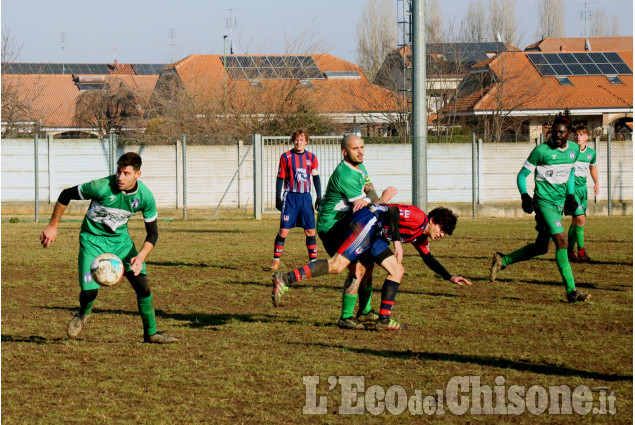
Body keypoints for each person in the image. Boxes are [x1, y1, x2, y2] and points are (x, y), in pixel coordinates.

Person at [39, 152, 178, 343]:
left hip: (121, 244)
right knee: (89, 291)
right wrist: (53, 225)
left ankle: (151, 334)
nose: (120, 177)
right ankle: (83, 314)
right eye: (119, 172)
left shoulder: (145, 197)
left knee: (143, 287)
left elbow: (153, 233)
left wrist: (141, 256)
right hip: (92, 241)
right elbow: (66, 194)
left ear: (138, 174)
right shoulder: (101, 186)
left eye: (126, 173)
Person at [272, 204, 470, 331]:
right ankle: (286, 278)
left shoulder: (421, 237)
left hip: (377, 236)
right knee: (337, 265)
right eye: (442, 229)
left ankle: (382, 319)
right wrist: (398, 242)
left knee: (395, 270)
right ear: (433, 221)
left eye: (445, 233)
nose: (441, 234)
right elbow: (392, 211)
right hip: (367, 222)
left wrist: (449, 276)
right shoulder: (419, 217)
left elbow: (428, 259)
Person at [272, 134, 398, 330]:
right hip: (332, 226)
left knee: (367, 265)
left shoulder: (360, 167)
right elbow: (372, 202)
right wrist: (382, 198)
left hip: (349, 223)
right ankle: (288, 279)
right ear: (344, 152)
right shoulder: (345, 174)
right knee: (347, 268)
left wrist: (370, 198)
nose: (361, 152)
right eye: (355, 149)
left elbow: (369, 193)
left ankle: (364, 311)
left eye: (362, 147)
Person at [489, 113, 590, 303]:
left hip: (559, 204)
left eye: (561, 133)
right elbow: (522, 175)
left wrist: (570, 195)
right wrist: (525, 196)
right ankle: (572, 291)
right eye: (554, 132)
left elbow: (569, 173)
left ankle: (502, 261)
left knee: (541, 247)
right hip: (543, 203)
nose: (556, 135)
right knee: (562, 241)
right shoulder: (541, 151)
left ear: (568, 133)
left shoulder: (575, 150)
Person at [270, 130, 322, 271]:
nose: (298, 142)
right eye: (296, 140)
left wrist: (319, 196)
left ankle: (313, 262)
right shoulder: (286, 157)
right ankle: (276, 261)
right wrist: (277, 197)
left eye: (301, 139)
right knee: (283, 231)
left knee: (310, 231)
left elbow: (315, 177)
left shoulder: (311, 157)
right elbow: (280, 177)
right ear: (293, 141)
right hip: (291, 197)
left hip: (305, 197)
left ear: (306, 141)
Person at [566, 124, 599, 262]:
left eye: (581, 134)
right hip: (572, 188)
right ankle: (581, 251)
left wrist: (596, 182)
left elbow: (592, 168)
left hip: (583, 189)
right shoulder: (570, 151)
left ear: (587, 136)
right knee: (580, 219)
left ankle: (569, 251)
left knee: (575, 221)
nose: (578, 137)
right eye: (576, 135)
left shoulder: (591, 153)